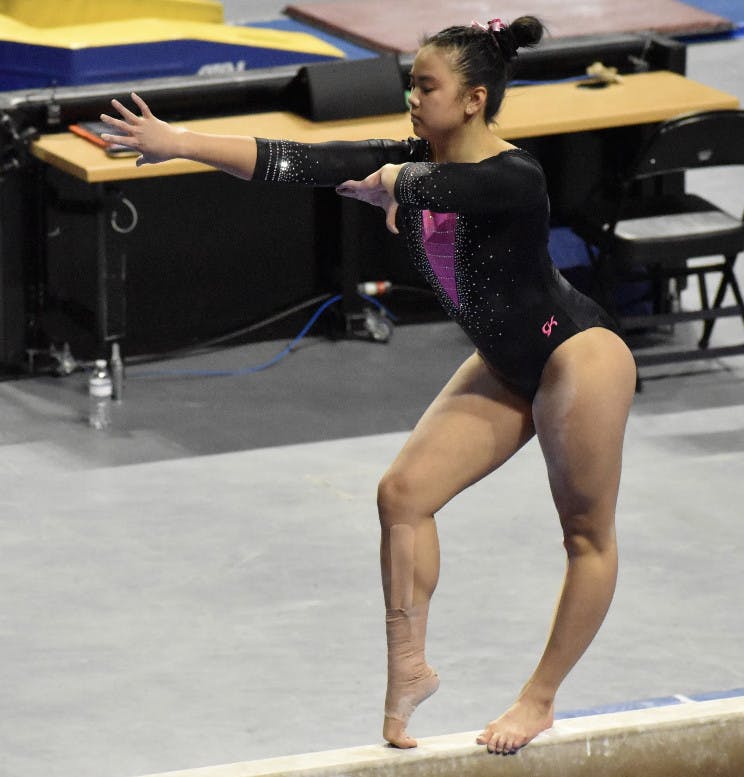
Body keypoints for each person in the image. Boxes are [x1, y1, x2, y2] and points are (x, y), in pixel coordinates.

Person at [101, 14, 637, 756]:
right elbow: (293, 161)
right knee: (402, 496)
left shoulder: (514, 176)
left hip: (577, 355)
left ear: (476, 98)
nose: (413, 98)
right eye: (409, 85)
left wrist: (393, 182)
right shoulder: (415, 165)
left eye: (427, 85)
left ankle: (538, 698)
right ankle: (409, 667)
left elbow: (439, 182)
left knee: (585, 535)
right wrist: (182, 143)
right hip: (506, 360)